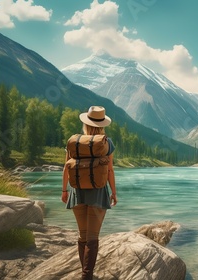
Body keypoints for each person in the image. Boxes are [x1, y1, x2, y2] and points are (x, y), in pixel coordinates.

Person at [61, 106, 117, 280]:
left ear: (85, 123)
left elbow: (66, 167)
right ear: (102, 125)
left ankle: (85, 274)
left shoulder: (75, 142)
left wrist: (64, 190)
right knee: (93, 238)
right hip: (98, 194)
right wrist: (113, 192)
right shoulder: (106, 143)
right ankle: (87, 276)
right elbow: (109, 171)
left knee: (83, 236)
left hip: (77, 193)